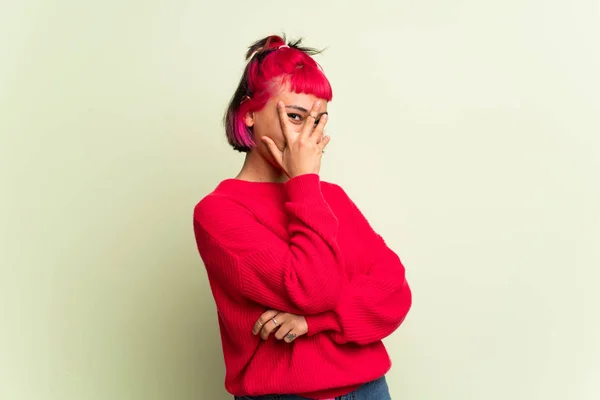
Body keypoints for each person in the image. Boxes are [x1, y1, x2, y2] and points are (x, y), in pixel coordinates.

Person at [193, 34, 412, 400]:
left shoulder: (332, 198)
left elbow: (394, 292)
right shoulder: (218, 212)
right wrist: (304, 182)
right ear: (248, 114)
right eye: (295, 117)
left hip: (370, 389)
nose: (308, 136)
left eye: (318, 121)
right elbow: (314, 289)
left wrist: (316, 323)